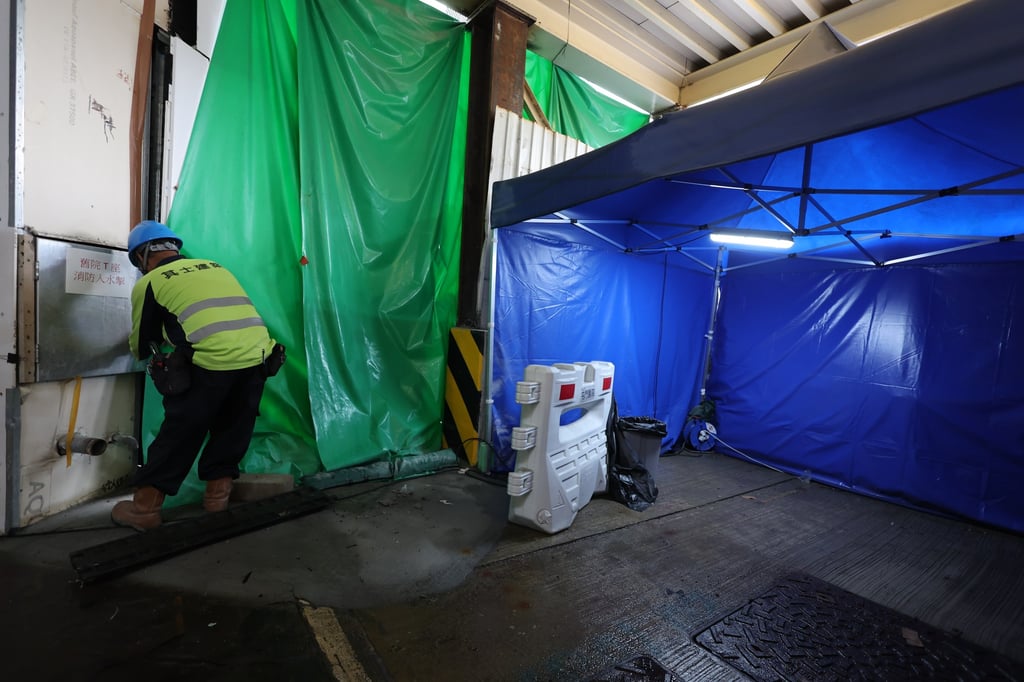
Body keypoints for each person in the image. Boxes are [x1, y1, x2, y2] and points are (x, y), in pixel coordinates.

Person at [112, 220, 281, 531]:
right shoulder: (215, 266)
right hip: (258, 356)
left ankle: (144, 509)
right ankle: (217, 499)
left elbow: (141, 343)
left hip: (212, 362)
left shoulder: (150, 282)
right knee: (234, 426)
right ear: (173, 247)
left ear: (142, 256)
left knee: (180, 433)